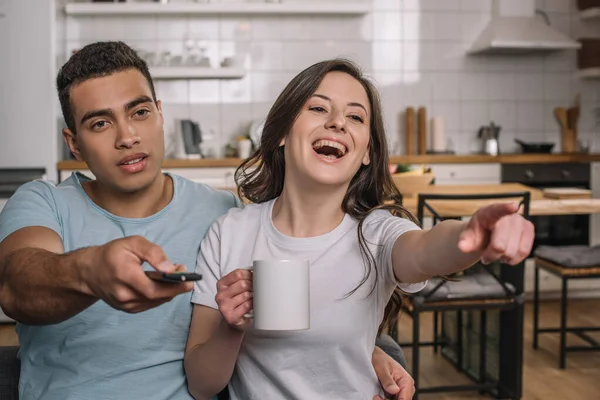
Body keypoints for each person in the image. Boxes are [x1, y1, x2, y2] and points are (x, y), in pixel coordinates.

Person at [0, 41, 414, 400]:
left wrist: (365, 355)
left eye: (140, 112)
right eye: (100, 122)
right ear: (74, 143)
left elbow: (275, 315)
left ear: (160, 115)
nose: (127, 136)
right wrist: (91, 271)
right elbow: (18, 287)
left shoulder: (223, 216)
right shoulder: (42, 203)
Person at [184, 59, 535, 400]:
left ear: (366, 151)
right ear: (281, 134)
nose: (338, 123)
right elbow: (202, 386)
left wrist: (471, 235)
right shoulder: (229, 233)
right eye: (318, 109)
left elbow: (425, 248)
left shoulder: (377, 234)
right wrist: (232, 328)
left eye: (355, 117)